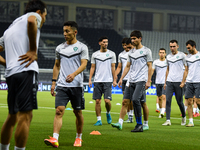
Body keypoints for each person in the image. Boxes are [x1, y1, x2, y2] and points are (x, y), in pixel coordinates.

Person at [0, 0, 47, 150]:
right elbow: (32, 21)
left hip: (11, 74)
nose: (44, 19)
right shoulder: (34, 15)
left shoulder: (11, 27)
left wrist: (8, 63)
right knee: (25, 116)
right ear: (40, 12)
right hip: (26, 71)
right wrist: (33, 50)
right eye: (45, 15)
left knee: (12, 115)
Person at [44, 21, 89, 148]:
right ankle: (55, 138)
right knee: (59, 111)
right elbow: (57, 65)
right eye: (64, 31)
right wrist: (53, 82)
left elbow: (84, 64)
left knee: (77, 112)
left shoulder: (82, 47)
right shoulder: (59, 48)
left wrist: (74, 74)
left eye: (67, 31)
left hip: (77, 85)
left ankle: (79, 138)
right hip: (62, 85)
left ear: (75, 32)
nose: (64, 33)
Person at [117, 30, 152, 132]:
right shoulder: (131, 52)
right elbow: (127, 66)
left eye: (134, 38)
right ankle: (125, 122)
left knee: (136, 100)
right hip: (131, 80)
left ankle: (140, 124)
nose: (132, 40)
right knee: (132, 101)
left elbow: (150, 66)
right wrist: (121, 78)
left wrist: (149, 80)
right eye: (131, 38)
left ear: (140, 39)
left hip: (141, 80)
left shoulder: (146, 51)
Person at [89, 36, 116, 126]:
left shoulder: (112, 54)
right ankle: (99, 120)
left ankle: (108, 113)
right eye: (104, 42)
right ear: (99, 43)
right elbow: (92, 67)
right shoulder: (95, 54)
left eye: (107, 42)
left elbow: (113, 67)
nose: (105, 44)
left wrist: (115, 79)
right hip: (97, 80)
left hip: (108, 80)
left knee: (107, 101)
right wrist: (90, 80)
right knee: (97, 101)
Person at [162, 40, 186, 126]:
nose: (172, 48)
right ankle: (168, 120)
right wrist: (165, 82)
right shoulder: (168, 57)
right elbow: (167, 69)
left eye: (174, 46)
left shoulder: (182, 55)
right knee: (168, 100)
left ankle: (184, 116)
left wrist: (183, 81)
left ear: (177, 46)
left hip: (179, 82)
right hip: (169, 81)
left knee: (179, 102)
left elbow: (186, 69)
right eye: (171, 47)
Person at [180, 40, 200, 127]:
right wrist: (183, 81)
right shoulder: (187, 57)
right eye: (187, 48)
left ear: (194, 46)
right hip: (189, 82)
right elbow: (186, 70)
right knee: (189, 101)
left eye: (189, 48)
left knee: (198, 101)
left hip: (198, 81)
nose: (188, 49)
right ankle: (191, 121)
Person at [115, 38, 134, 123]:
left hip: (132, 78)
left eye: (126, 45)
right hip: (124, 79)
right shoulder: (121, 55)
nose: (125, 47)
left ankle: (131, 115)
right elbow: (119, 67)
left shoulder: (134, 53)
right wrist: (116, 76)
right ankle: (129, 116)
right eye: (123, 45)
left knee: (132, 99)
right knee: (126, 99)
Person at [152, 48, 167, 118]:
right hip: (158, 82)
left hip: (165, 82)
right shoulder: (155, 62)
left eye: (163, 52)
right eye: (160, 52)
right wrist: (149, 79)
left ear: (165, 54)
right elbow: (152, 70)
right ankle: (161, 110)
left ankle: (162, 112)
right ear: (158, 53)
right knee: (160, 98)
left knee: (164, 97)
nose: (161, 54)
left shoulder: (167, 62)